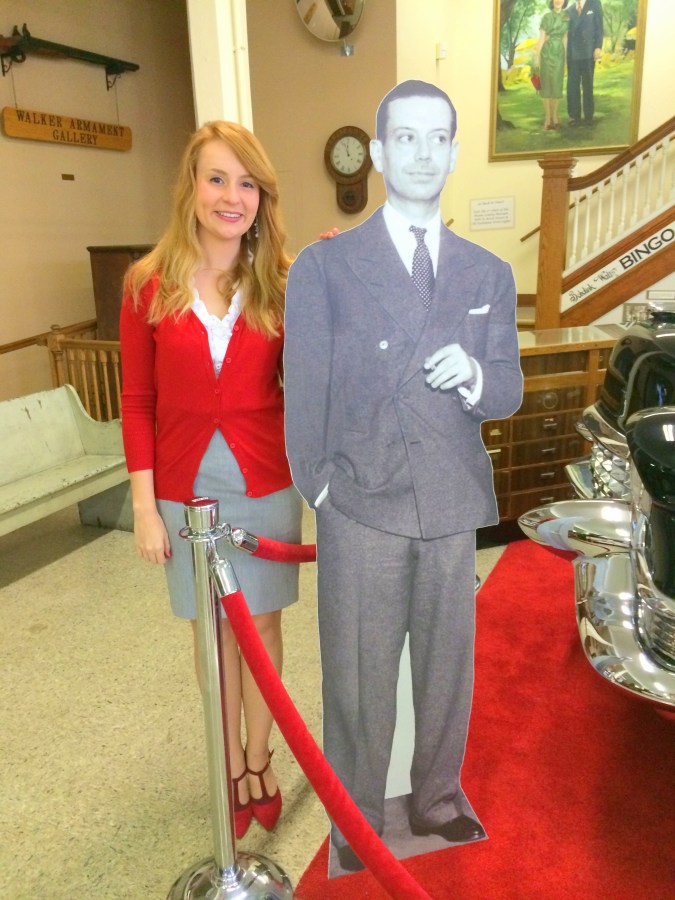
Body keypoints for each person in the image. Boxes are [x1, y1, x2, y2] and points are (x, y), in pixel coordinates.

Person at [283, 80, 523, 871]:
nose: (423, 153)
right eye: (407, 138)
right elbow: (304, 393)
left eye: (437, 138)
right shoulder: (325, 267)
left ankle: (436, 798)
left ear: (453, 153)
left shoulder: (486, 273)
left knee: (447, 670)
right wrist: (322, 491)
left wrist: (475, 378)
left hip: (450, 498)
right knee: (358, 675)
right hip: (361, 500)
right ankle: (356, 818)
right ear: (381, 154)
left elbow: (507, 386)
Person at [120, 120, 302, 840]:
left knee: (262, 624)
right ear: (191, 188)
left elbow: (314, 378)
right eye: (217, 179)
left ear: (262, 196)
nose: (232, 197)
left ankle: (260, 756)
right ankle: (227, 762)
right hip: (183, 487)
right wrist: (143, 507)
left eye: (247, 183)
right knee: (213, 633)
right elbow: (138, 400)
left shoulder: (282, 282)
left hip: (264, 480)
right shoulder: (148, 284)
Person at [534, 0, 570, 130]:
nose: (558, 1)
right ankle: (548, 119)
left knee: (557, 85)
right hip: (546, 54)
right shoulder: (546, 17)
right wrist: (537, 57)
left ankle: (555, 117)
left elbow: (565, 38)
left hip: (559, 54)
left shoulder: (567, 17)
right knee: (546, 86)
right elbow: (542, 39)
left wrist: (565, 58)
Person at [567, 0, 604, 126]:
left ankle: (589, 116)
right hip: (573, 54)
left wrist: (598, 47)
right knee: (573, 86)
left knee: (588, 85)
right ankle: (574, 117)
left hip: (589, 52)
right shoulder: (570, 10)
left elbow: (599, 27)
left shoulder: (594, 4)